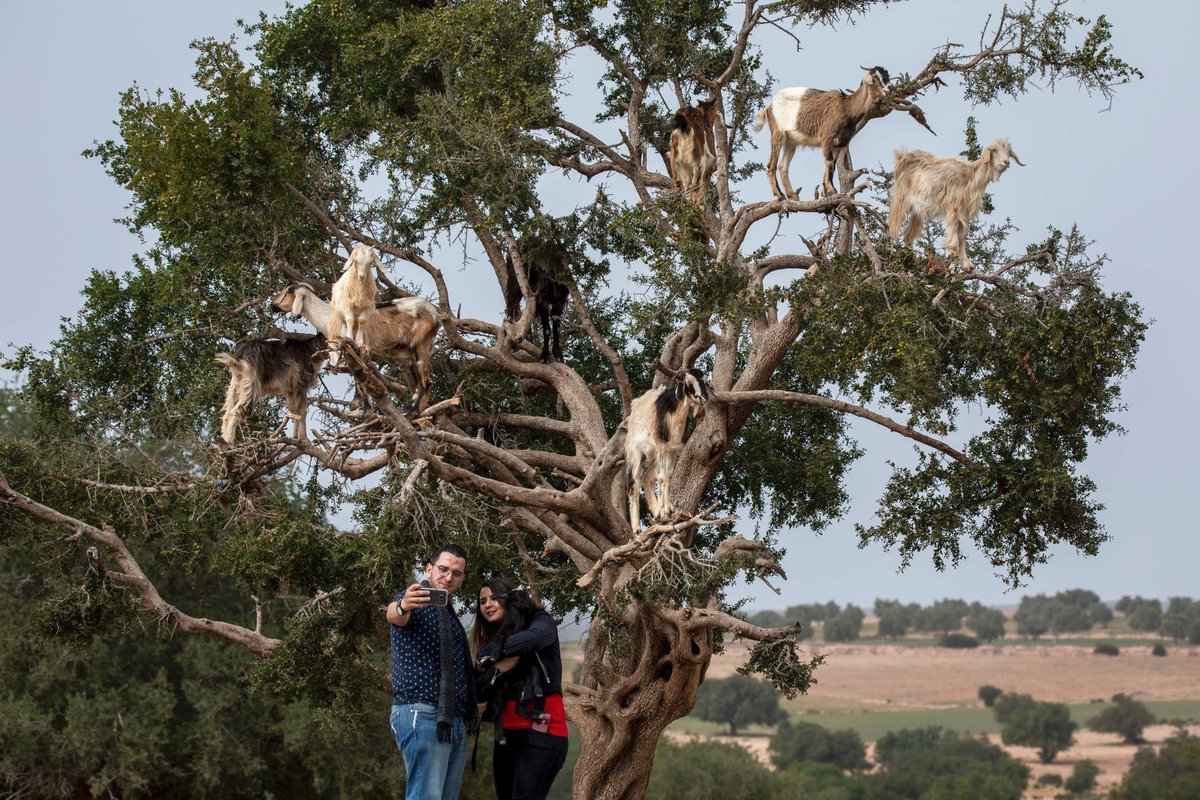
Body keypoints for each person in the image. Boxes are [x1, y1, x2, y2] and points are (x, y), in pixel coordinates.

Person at [387, 544, 478, 800]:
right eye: (443, 569)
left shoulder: (448, 614)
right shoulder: (414, 600)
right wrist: (403, 605)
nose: (448, 577)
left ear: (462, 579)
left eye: (456, 573)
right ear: (429, 568)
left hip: (451, 720)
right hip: (422, 713)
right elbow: (393, 614)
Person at [472, 576, 568, 800]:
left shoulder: (540, 620)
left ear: (510, 598)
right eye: (483, 601)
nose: (488, 604)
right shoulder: (490, 641)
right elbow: (478, 690)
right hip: (505, 737)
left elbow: (536, 639)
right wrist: (498, 669)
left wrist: (491, 653)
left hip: (543, 732)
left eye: (494, 598)